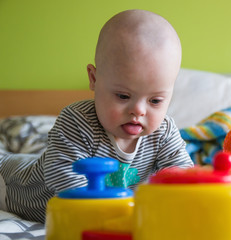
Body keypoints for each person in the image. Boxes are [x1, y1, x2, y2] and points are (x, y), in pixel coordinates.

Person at [0, 9, 193, 223]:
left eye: (155, 101)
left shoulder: (164, 132)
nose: (139, 111)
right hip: (13, 189)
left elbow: (181, 175)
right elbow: (63, 178)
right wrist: (108, 216)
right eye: (123, 96)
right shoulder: (77, 121)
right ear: (94, 78)